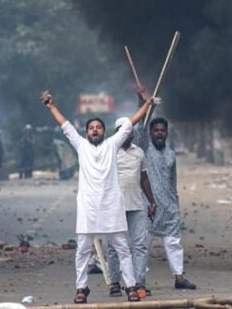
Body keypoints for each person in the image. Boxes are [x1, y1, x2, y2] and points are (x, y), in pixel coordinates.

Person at [41, 90, 153, 304]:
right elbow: (65, 126)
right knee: (83, 249)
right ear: (86, 133)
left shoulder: (112, 144)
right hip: (88, 208)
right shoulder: (81, 145)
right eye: (91, 128)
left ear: (104, 131)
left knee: (122, 247)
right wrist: (51, 106)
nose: (95, 130)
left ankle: (130, 286)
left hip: (112, 206)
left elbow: (130, 123)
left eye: (98, 127)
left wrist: (146, 106)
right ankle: (81, 288)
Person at [134, 88, 197, 292]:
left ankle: (179, 278)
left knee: (174, 243)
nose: (159, 133)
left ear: (166, 134)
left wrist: (176, 205)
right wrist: (143, 105)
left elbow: (173, 182)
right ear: (151, 133)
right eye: (156, 130)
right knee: (142, 245)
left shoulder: (170, 155)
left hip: (169, 207)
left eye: (162, 130)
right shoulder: (145, 149)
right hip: (148, 207)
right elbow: (139, 130)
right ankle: (139, 282)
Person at [107, 117, 157, 299]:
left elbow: (144, 179)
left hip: (137, 205)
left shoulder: (139, 153)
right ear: (117, 132)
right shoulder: (109, 151)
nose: (127, 133)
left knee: (140, 245)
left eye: (130, 131)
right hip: (114, 206)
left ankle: (139, 283)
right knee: (114, 247)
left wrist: (152, 201)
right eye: (123, 130)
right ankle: (114, 283)